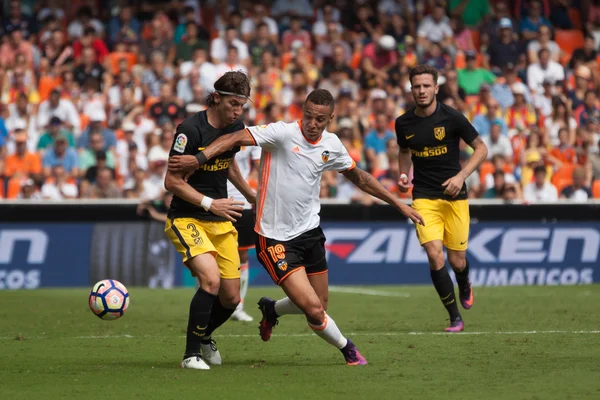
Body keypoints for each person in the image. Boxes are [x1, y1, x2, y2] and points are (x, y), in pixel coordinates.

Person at [168, 89, 424, 366]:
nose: (313, 124)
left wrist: (398, 204)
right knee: (313, 309)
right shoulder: (281, 133)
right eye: (309, 116)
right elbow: (233, 137)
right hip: (274, 237)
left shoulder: (332, 144)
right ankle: (348, 350)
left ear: (331, 119)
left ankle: (272, 309)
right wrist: (199, 159)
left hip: (310, 233)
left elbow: (359, 177)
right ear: (302, 112)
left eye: (320, 120)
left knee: (320, 305)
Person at [163, 71, 257, 370]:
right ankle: (190, 355)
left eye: (242, 105)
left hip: (220, 220)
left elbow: (228, 166)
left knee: (231, 299)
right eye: (233, 104)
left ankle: (205, 336)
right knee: (210, 280)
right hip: (187, 216)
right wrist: (209, 203)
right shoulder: (189, 130)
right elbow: (171, 181)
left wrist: (252, 196)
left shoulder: (236, 127)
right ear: (216, 97)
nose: (238, 111)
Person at [396, 65, 488, 332]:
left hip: (454, 197)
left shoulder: (453, 117)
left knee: (457, 261)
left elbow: (481, 148)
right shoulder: (403, 123)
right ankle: (454, 317)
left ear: (436, 88)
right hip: (423, 197)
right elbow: (404, 150)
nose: (421, 91)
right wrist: (404, 174)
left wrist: (461, 176)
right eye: (417, 86)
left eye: (426, 86)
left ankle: (464, 281)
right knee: (435, 256)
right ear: (411, 89)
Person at [227, 144, 261, 322]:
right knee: (209, 254)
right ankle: (207, 304)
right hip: (217, 201)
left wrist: (257, 195)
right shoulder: (213, 133)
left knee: (243, 256)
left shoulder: (249, 137)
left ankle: (237, 306)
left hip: (243, 204)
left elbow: (259, 168)